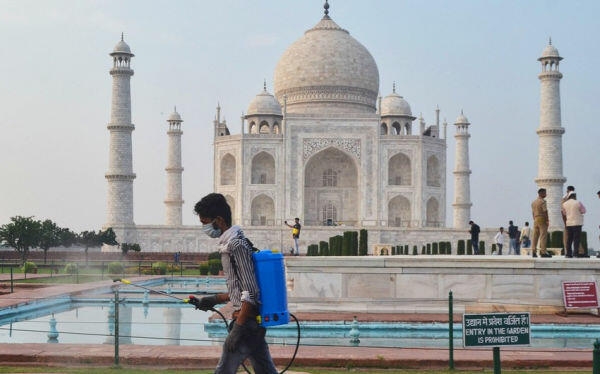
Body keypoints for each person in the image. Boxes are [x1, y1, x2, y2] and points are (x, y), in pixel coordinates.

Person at [191, 193, 278, 374]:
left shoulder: (236, 245)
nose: (205, 228)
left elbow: (251, 291)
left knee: (223, 371)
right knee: (265, 370)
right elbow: (241, 290)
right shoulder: (229, 244)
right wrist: (213, 299)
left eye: (205, 222)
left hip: (247, 323)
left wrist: (238, 328)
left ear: (219, 220)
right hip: (251, 322)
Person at [561, 193, 586, 258]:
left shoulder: (564, 204)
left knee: (569, 239)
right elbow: (583, 211)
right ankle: (575, 253)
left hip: (569, 223)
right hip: (577, 223)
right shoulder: (578, 202)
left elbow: (563, 213)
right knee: (576, 239)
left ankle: (568, 254)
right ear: (574, 196)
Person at [531, 188, 552, 258]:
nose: (546, 194)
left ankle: (533, 251)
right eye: (545, 193)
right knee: (543, 236)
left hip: (535, 219)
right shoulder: (543, 202)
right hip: (542, 218)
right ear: (541, 193)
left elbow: (533, 212)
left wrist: (534, 218)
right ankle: (543, 252)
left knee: (535, 236)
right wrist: (547, 220)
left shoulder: (534, 202)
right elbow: (545, 211)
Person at [561, 186, 575, 252]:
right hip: (569, 218)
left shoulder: (564, 198)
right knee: (574, 235)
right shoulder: (567, 198)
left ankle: (567, 250)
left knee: (568, 235)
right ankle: (569, 250)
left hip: (569, 218)